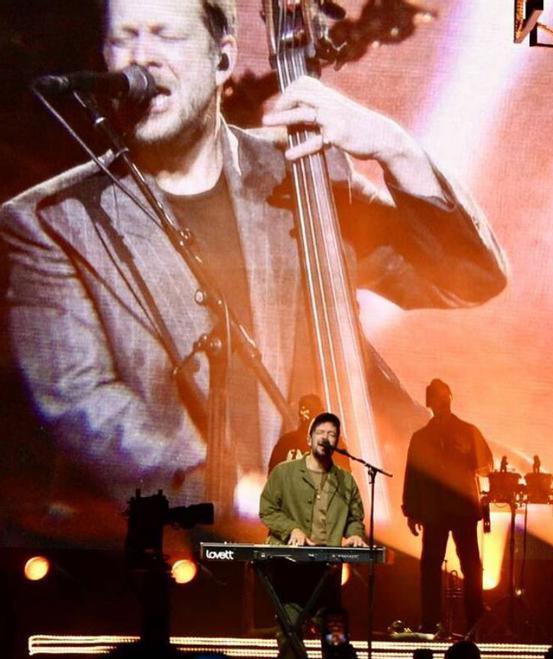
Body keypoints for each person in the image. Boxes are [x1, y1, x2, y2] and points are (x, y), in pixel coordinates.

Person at [0, 0, 507, 511]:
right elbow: (85, 402)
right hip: (185, 549)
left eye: (165, 36)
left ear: (222, 59)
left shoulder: (306, 171)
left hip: (352, 522)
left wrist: (393, 147)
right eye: (124, 38)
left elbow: (468, 280)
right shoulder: (50, 223)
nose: (141, 59)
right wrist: (235, 492)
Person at [259, 411, 367, 659]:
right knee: (289, 632)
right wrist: (291, 530)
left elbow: (354, 518)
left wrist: (354, 535)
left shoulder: (346, 480)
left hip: (326, 572)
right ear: (309, 438)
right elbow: (267, 509)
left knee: (336, 636)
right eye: (320, 432)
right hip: (290, 570)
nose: (325, 438)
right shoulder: (283, 473)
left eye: (331, 434)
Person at [402, 379, 493, 636]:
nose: (440, 402)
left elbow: (486, 463)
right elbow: (414, 474)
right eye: (437, 398)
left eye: (442, 397)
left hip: (457, 508)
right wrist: (410, 509)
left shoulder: (465, 431)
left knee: (468, 565)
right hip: (439, 510)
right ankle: (434, 621)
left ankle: (471, 619)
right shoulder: (424, 437)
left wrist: (464, 458)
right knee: (436, 564)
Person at [268, 394, 323, 472]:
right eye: (303, 409)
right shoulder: (285, 442)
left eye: (309, 409)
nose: (304, 413)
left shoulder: (285, 442)